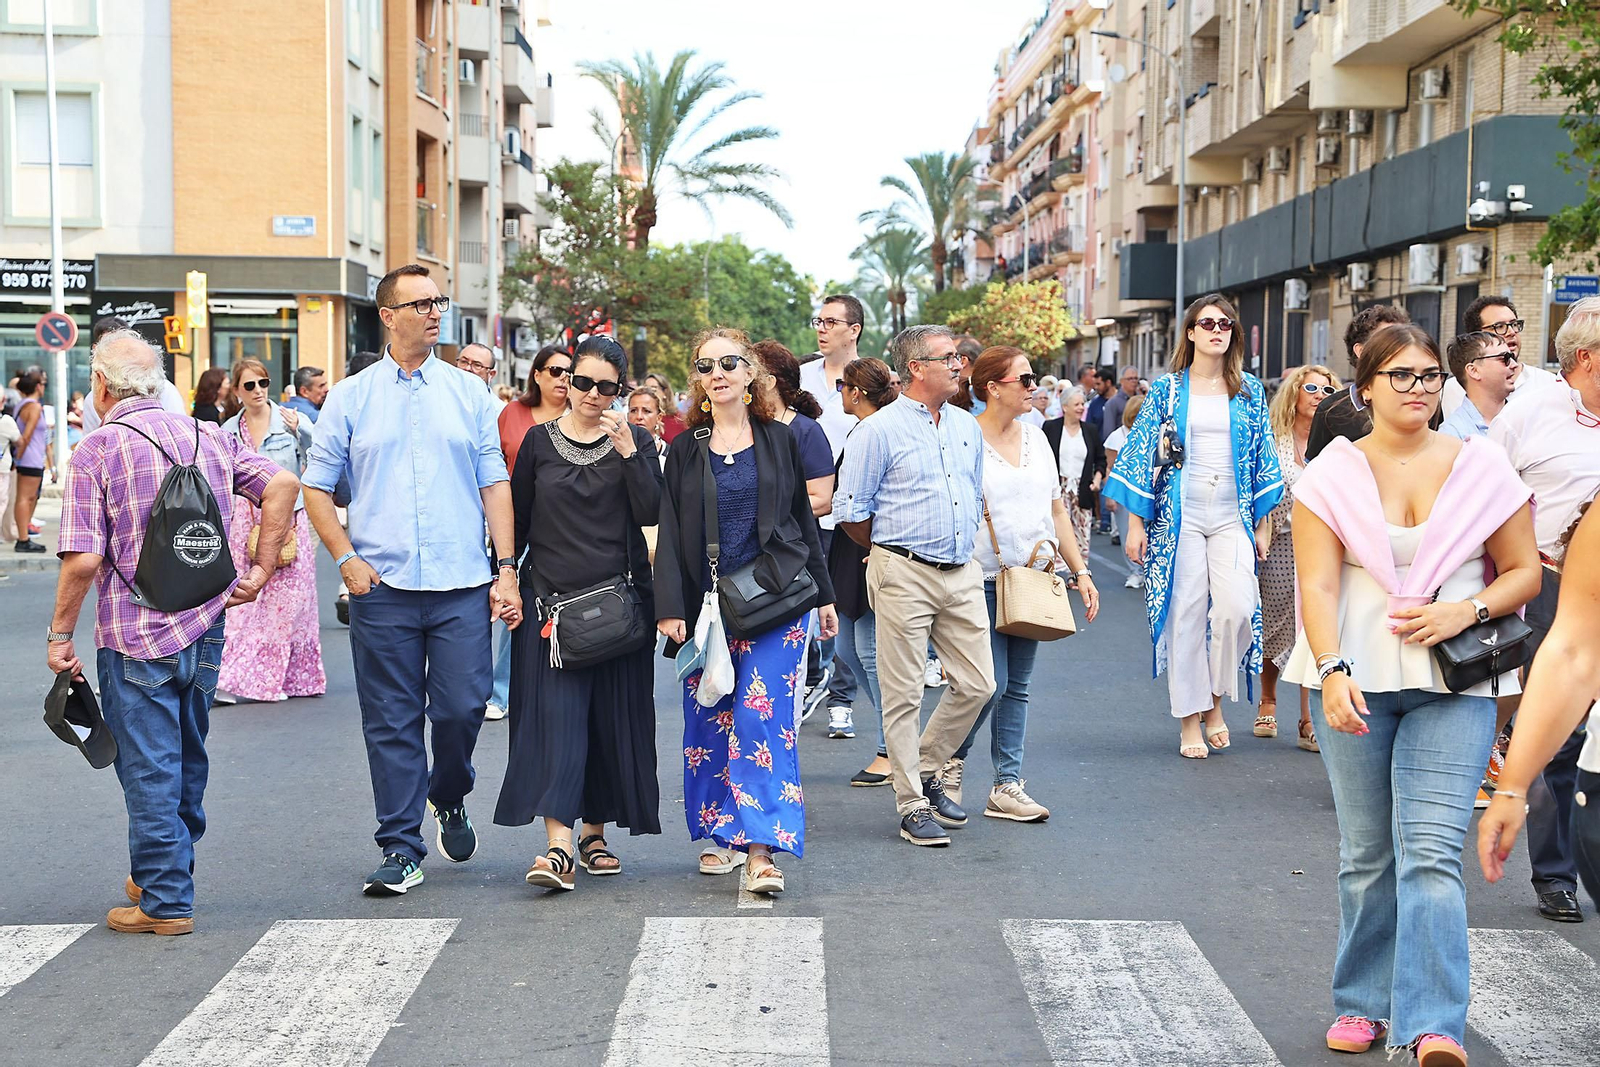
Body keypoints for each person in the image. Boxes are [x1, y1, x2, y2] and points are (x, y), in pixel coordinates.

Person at [1284, 322, 1540, 1062]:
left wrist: (1469, 607)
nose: (1420, 386)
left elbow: (1524, 570)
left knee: (1430, 853)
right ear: (1364, 388)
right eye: (1401, 375)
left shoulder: (1481, 466)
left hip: (1454, 677)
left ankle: (1433, 1023)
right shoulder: (1331, 474)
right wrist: (1330, 669)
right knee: (1367, 854)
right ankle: (1362, 1003)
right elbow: (1319, 581)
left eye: (1430, 375)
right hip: (1355, 677)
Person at [49, 329, 299, 934]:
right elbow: (283, 486)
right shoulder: (206, 433)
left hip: (134, 632)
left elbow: (83, 559)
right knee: (187, 754)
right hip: (207, 624)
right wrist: (261, 567)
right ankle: (163, 867)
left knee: (148, 766)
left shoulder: (98, 449)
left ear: (102, 384)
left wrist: (60, 635)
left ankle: (164, 899)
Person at [301, 263, 520, 897]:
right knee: (391, 720)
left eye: (438, 302)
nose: (434, 312)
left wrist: (506, 571)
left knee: (459, 711)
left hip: (461, 584)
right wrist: (345, 557)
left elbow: (493, 482)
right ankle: (400, 845)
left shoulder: (470, 394)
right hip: (382, 587)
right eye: (420, 303)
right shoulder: (350, 396)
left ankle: (449, 793)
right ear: (388, 316)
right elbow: (316, 488)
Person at [655, 328, 838, 893]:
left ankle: (762, 850)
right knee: (710, 715)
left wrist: (825, 596)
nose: (719, 372)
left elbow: (804, 526)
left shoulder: (778, 439)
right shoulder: (685, 448)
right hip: (707, 609)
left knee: (764, 722)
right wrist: (670, 606)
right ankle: (722, 834)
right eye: (706, 365)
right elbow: (669, 527)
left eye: (730, 362)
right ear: (699, 380)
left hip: (774, 602)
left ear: (751, 371)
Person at [497, 335, 662, 891]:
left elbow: (653, 510)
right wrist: (506, 579)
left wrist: (631, 455)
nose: (591, 393)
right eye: (581, 381)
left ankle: (595, 832)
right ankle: (558, 847)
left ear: (620, 389)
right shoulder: (539, 443)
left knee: (610, 724)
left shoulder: (633, 440)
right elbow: (516, 521)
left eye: (605, 386)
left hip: (620, 605)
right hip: (552, 609)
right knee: (556, 725)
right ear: (565, 383)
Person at [834, 324, 997, 848]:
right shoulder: (877, 431)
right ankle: (910, 803)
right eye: (947, 358)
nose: (958, 364)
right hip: (903, 570)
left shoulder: (966, 427)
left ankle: (924, 769)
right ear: (915, 369)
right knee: (902, 694)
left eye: (958, 357)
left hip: (961, 571)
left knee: (978, 684)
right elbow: (852, 513)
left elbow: (972, 493)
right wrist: (892, 554)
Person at [1104, 294, 1283, 759]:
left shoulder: (1249, 390)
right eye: (1207, 323)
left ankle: (1215, 703)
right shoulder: (1167, 390)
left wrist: (1263, 525)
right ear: (1190, 332)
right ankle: (1190, 719)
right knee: (1186, 614)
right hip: (1178, 514)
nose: (1217, 330)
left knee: (1235, 608)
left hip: (1233, 512)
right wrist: (1136, 524)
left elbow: (1265, 457)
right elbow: (1143, 452)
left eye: (1225, 323)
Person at [941, 347, 1099, 822]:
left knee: (1018, 687)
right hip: (977, 578)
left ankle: (1006, 785)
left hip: (1033, 579)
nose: (1035, 387)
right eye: (1025, 379)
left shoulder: (1036, 438)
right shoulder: (963, 437)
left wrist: (1082, 571)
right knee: (988, 684)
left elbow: (1057, 511)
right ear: (993, 387)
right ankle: (945, 764)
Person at [1487, 294, 1600, 924]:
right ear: (1587, 358)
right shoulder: (1529, 415)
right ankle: (1556, 873)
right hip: (1555, 587)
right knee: (1563, 732)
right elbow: (1485, 499)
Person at [1480, 498, 1600, 911]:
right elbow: (1570, 656)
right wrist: (1511, 789)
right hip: (1548, 575)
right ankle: (1555, 876)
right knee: (1565, 749)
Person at [216, 358, 324, 704]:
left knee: (288, 606)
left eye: (263, 382)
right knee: (244, 603)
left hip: (288, 523)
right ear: (237, 391)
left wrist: (302, 431)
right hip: (244, 523)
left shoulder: (291, 422)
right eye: (249, 385)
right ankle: (235, 679)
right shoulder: (228, 430)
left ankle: (289, 678)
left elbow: (320, 460)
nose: (258, 391)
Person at [1255, 363, 1339, 752]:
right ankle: (1268, 700)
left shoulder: (1340, 443)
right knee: (1275, 624)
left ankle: (1309, 718)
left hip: (1322, 546)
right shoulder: (1274, 440)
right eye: (1312, 388)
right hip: (1279, 544)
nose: (1319, 395)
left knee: (1314, 627)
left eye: (1327, 390)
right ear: (1294, 394)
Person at [832, 357, 900, 786]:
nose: (840, 390)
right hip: (854, 549)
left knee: (872, 655)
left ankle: (891, 747)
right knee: (850, 650)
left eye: (843, 384)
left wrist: (877, 545)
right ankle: (895, 738)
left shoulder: (876, 431)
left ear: (857, 392)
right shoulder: (867, 429)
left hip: (870, 550)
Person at [798, 300, 866, 725]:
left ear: (854, 329)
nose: (821, 329)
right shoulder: (800, 378)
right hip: (803, 510)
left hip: (850, 516)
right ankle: (806, 681)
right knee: (801, 604)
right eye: (818, 321)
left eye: (831, 322)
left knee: (844, 610)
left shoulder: (869, 377)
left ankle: (842, 699)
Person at [1306, 305, 1411, 460]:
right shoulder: (1331, 410)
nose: (1398, 348)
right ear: (1360, 351)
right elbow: (1315, 475)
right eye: (1387, 340)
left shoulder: (1421, 398)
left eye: (1402, 340)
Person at [1441, 295, 1558, 418]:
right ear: (1476, 337)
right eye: (1500, 327)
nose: (1511, 332)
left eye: (1514, 324)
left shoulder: (1547, 383)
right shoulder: (1452, 390)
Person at [79, 316, 188, 435]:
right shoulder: (92, 399)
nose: (116, 353)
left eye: (122, 346)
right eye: (107, 346)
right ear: (95, 349)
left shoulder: (165, 389)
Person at [1041, 386, 1104, 560]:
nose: (1081, 407)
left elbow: (1101, 459)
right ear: (1065, 407)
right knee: (1057, 530)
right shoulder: (1050, 427)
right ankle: (1058, 571)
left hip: (1082, 487)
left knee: (1082, 531)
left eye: (1082, 404)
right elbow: (1041, 456)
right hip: (1057, 488)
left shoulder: (1090, 430)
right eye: (1076, 404)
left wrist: (1097, 481)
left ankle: (1079, 573)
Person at [1440, 331, 1517, 441]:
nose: (1514, 365)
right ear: (1474, 370)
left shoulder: (1526, 420)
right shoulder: (1452, 435)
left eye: (1512, 357)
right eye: (1505, 358)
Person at [1104, 394, 1144, 569]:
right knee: (1127, 531)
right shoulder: (1116, 436)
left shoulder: (1154, 432)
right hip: (1124, 491)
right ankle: (1134, 571)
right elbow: (1110, 468)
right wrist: (1110, 496)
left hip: (1148, 489)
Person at [11, 369, 49, 553]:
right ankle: (23, 539)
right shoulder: (33, 407)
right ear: (37, 387)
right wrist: (19, 457)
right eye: (43, 384)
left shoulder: (21, 404)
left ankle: (24, 536)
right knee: (25, 498)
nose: (44, 388)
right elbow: (26, 437)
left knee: (29, 498)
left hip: (30, 459)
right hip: (29, 459)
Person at [627, 384, 671, 466]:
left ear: (659, 417)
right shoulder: (616, 450)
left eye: (646, 411)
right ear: (627, 415)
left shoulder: (671, 455)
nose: (639, 416)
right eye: (633, 410)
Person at [1102, 365, 1139, 440]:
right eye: (1130, 379)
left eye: (1135, 378)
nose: (1134, 381)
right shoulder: (1113, 403)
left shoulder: (1141, 400)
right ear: (1122, 381)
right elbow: (1109, 432)